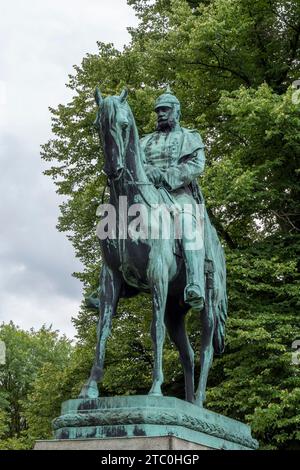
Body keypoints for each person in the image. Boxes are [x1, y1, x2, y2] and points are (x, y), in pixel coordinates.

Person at [140, 87, 206, 310]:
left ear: (176, 111)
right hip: (148, 193)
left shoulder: (190, 137)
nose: (160, 114)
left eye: (165, 110)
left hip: (179, 194)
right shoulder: (144, 141)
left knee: (189, 222)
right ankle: (109, 282)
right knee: (115, 224)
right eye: (158, 110)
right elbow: (135, 164)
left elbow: (196, 165)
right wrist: (147, 171)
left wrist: (166, 176)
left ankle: (195, 282)